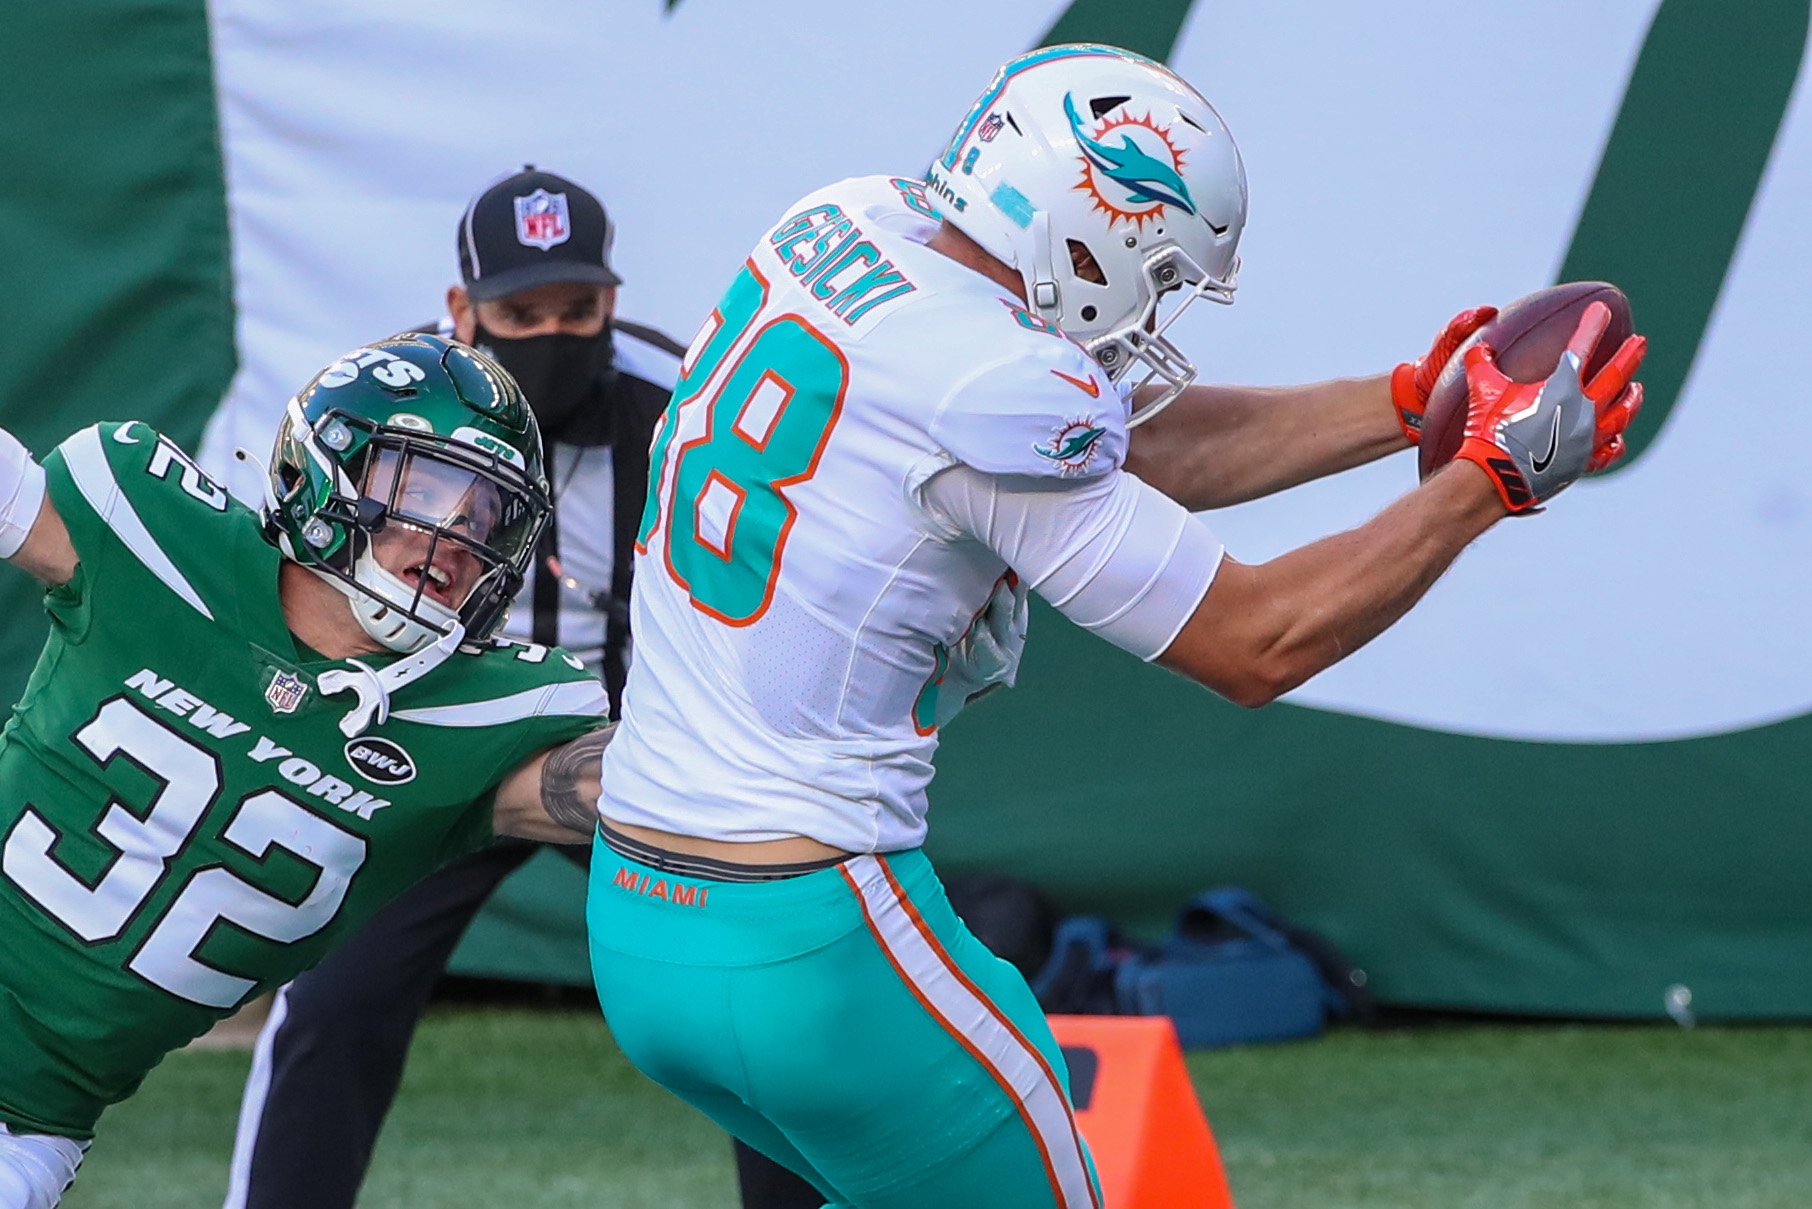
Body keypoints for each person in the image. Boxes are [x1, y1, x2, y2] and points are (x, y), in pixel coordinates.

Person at [582, 43, 1647, 1208]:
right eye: (1161, 267)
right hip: (812, 934)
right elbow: (1258, 642)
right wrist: (1487, 482)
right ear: (1092, 232)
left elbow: (1138, 448)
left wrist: (1402, 407)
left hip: (644, 923)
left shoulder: (846, 226)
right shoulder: (993, 389)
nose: (1156, 303)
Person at [219, 169, 821, 1209]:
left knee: (757, 1009)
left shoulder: (684, 414)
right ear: (462, 311)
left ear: (613, 302)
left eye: (576, 310)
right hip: (441, 742)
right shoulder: (380, 411)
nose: (552, 334)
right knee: (333, 1004)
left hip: (633, 753)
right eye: (519, 313)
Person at [0, 332, 622, 1209]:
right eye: (430, 490)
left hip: (29, 1125)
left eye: (487, 516)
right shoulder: (155, 532)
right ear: (329, 467)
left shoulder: (482, 718)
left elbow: (653, 792)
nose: (455, 539)